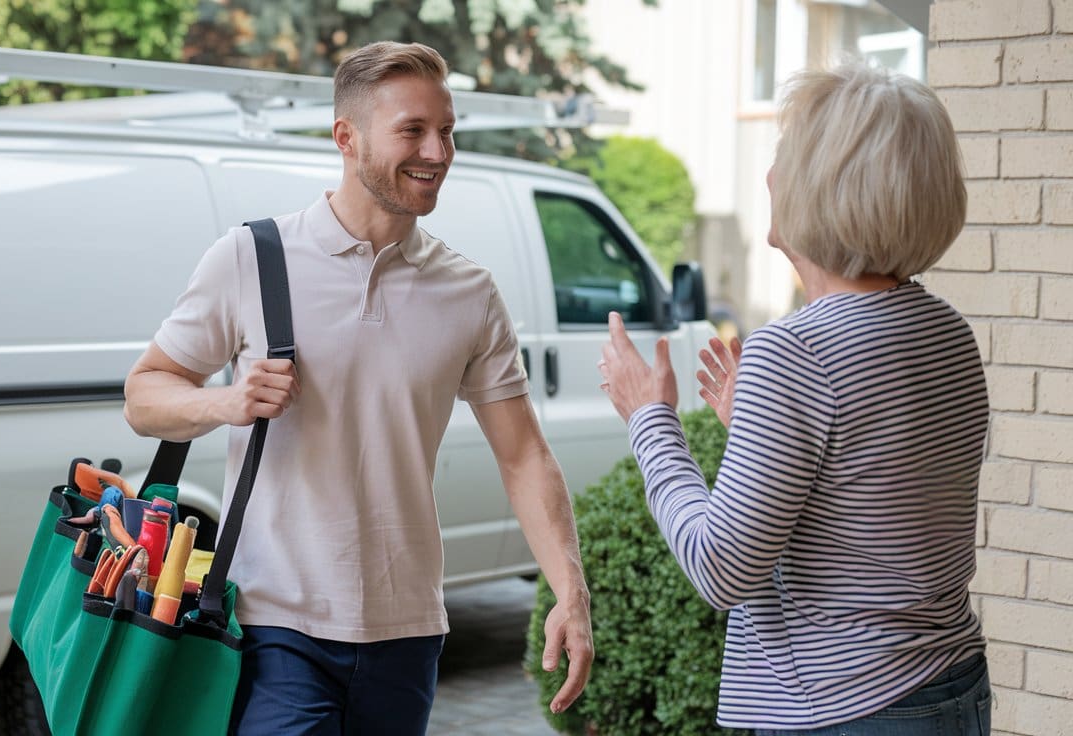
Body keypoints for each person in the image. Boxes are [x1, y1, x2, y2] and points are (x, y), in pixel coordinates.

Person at [123, 41, 592, 735]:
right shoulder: (252, 259)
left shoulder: (469, 291)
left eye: (447, 131)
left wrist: (570, 592)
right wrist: (227, 402)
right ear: (346, 137)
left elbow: (524, 455)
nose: (438, 151)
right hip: (274, 623)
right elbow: (144, 394)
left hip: (409, 633)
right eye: (412, 130)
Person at [598, 61, 990, 735]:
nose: (771, 174)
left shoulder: (795, 352)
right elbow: (879, 501)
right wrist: (765, 431)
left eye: (784, 157)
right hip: (948, 688)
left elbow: (720, 571)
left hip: (847, 707)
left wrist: (650, 419)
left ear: (821, 185)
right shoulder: (944, 328)